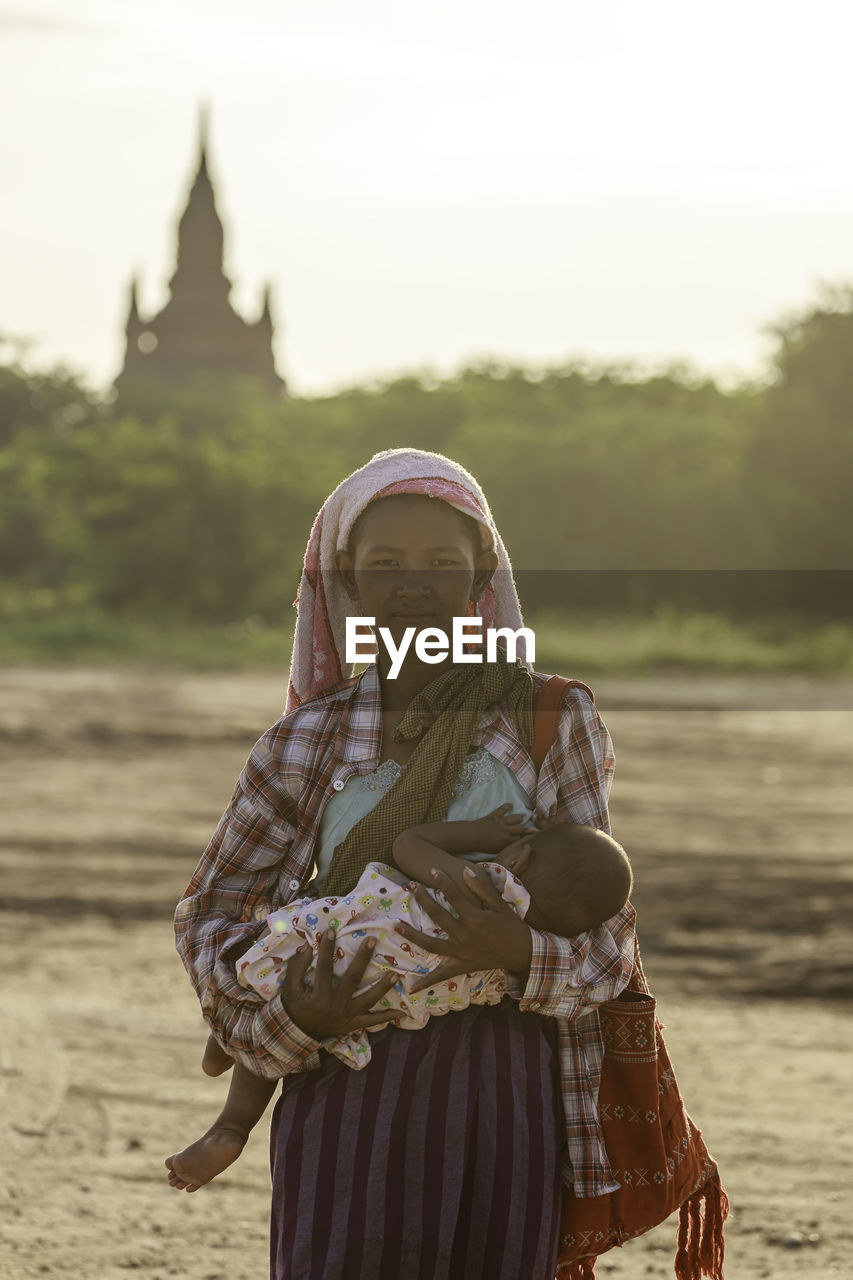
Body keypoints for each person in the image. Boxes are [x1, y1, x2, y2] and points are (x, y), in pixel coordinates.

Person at [170, 447, 642, 1280]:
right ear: (343, 582)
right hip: (340, 1075)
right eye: (383, 566)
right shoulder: (304, 741)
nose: (411, 585)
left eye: (440, 564)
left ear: (482, 576)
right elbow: (212, 914)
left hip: (503, 1082)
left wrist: (515, 954)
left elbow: (608, 944)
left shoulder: (547, 719)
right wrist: (292, 1018)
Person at [165, 806, 633, 1191]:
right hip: (393, 998)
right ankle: (232, 1125)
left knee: (281, 940)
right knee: (315, 1011)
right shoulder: (519, 945)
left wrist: (479, 831)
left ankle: (227, 1046)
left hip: (352, 941)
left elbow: (406, 845)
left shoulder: (478, 880)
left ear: (520, 857)